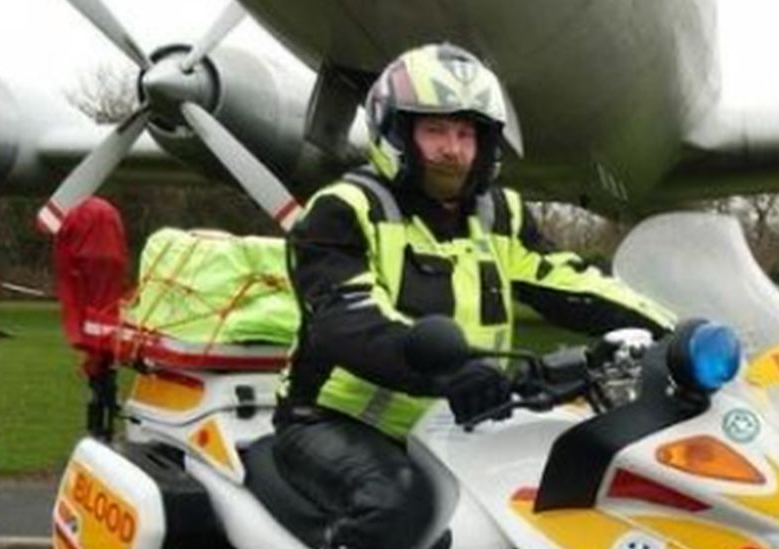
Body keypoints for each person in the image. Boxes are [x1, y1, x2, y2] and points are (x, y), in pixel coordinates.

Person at [272, 43, 676, 549]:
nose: (453, 148)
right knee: (400, 508)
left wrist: (675, 329)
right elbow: (348, 321)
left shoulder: (498, 215)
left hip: (458, 417)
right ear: (396, 131)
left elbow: (565, 280)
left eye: (466, 133)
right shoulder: (343, 210)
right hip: (336, 422)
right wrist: (442, 372)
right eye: (435, 130)